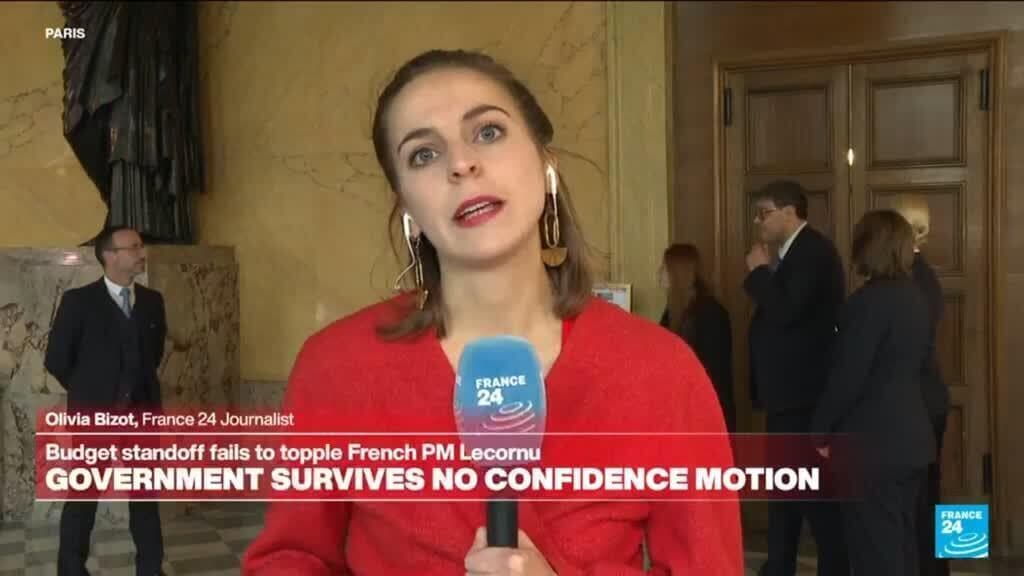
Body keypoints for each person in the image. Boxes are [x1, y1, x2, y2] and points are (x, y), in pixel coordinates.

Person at [242, 49, 742, 575]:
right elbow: (289, 559)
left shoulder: (660, 371)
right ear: (406, 207)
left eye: (487, 132)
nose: (462, 164)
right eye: (423, 155)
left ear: (545, 162)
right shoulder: (336, 369)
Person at [811, 210, 936, 576]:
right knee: (901, 547)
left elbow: (848, 377)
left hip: (872, 447)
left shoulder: (867, 303)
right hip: (912, 440)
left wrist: (820, 429)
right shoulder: (915, 297)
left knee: (873, 554)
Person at [45, 226, 166, 576]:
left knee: (145, 501)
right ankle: (70, 570)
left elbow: (152, 356)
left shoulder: (153, 301)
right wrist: (91, 393)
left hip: (142, 418)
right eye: (133, 247)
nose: (142, 253)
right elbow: (56, 360)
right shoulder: (78, 302)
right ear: (109, 256)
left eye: (141, 246)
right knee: (83, 499)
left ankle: (150, 570)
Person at [744, 180, 848, 576]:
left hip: (805, 399)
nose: (759, 222)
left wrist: (757, 275)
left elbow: (788, 312)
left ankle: (835, 568)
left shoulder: (814, 251)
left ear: (791, 212)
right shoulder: (789, 255)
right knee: (784, 491)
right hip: (786, 397)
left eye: (765, 212)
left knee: (812, 495)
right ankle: (779, 565)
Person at [893, 196, 950, 576]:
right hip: (926, 400)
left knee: (919, 500)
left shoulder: (912, 279)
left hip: (916, 403)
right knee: (925, 496)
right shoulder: (920, 276)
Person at [659, 243, 735, 432]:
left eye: (664, 268)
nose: (659, 272)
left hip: (705, 415)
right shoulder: (673, 312)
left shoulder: (710, 313)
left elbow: (712, 373)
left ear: (677, 272)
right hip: (684, 411)